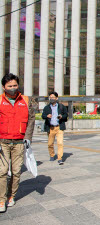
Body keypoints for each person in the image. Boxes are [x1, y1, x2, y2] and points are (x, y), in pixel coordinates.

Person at [0, 73, 36, 213]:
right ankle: (1, 199)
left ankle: (11, 196)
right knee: (2, 172)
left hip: (19, 142)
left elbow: (31, 119)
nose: (13, 88)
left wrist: (28, 137)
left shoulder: (26, 100)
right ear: (4, 87)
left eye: (15, 85)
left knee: (16, 171)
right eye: (9, 86)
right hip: (3, 141)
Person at [41, 91, 68, 165]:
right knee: (50, 144)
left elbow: (66, 115)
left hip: (59, 127)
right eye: (50, 97)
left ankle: (60, 158)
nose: (51, 99)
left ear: (56, 98)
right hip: (50, 128)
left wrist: (61, 117)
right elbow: (43, 115)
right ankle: (52, 155)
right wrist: (47, 116)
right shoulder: (47, 107)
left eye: (53, 97)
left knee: (60, 143)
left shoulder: (61, 106)